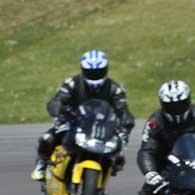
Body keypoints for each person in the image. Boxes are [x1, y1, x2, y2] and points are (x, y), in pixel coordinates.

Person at [31, 50, 135, 181]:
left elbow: (123, 109)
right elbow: (57, 99)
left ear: (106, 70)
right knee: (47, 139)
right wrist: (58, 109)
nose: (94, 76)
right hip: (73, 120)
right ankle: (41, 164)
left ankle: (102, 176)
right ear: (83, 70)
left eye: (98, 72)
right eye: (91, 73)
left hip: (101, 125)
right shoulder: (73, 83)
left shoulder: (114, 89)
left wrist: (126, 122)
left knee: (118, 155)